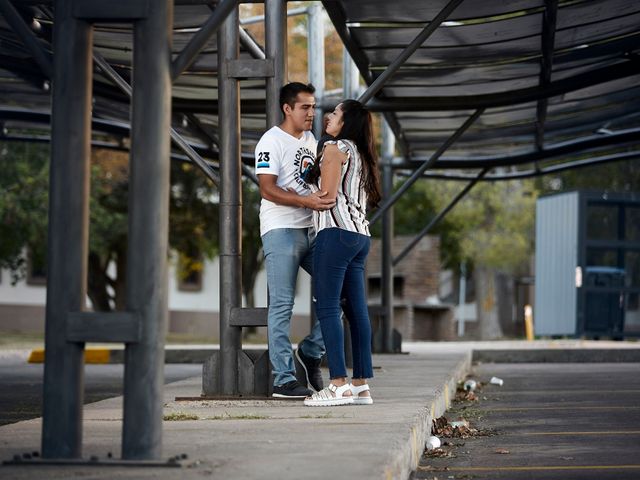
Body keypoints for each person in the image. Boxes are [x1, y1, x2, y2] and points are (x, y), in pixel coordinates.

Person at [255, 82, 335, 398]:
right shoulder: (271, 141)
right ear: (287, 108)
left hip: (312, 230)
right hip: (281, 230)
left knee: (341, 288)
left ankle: (312, 351)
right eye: (305, 107)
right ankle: (283, 379)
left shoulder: (311, 140)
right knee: (282, 305)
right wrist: (305, 202)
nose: (311, 113)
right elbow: (267, 188)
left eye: (314, 107)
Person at [302, 100, 381, 407]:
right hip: (359, 236)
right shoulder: (362, 154)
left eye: (334, 113)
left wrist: (304, 197)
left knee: (327, 308)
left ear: (347, 122)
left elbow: (328, 196)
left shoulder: (334, 149)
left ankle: (337, 385)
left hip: (334, 234)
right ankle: (360, 385)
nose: (327, 117)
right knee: (357, 312)